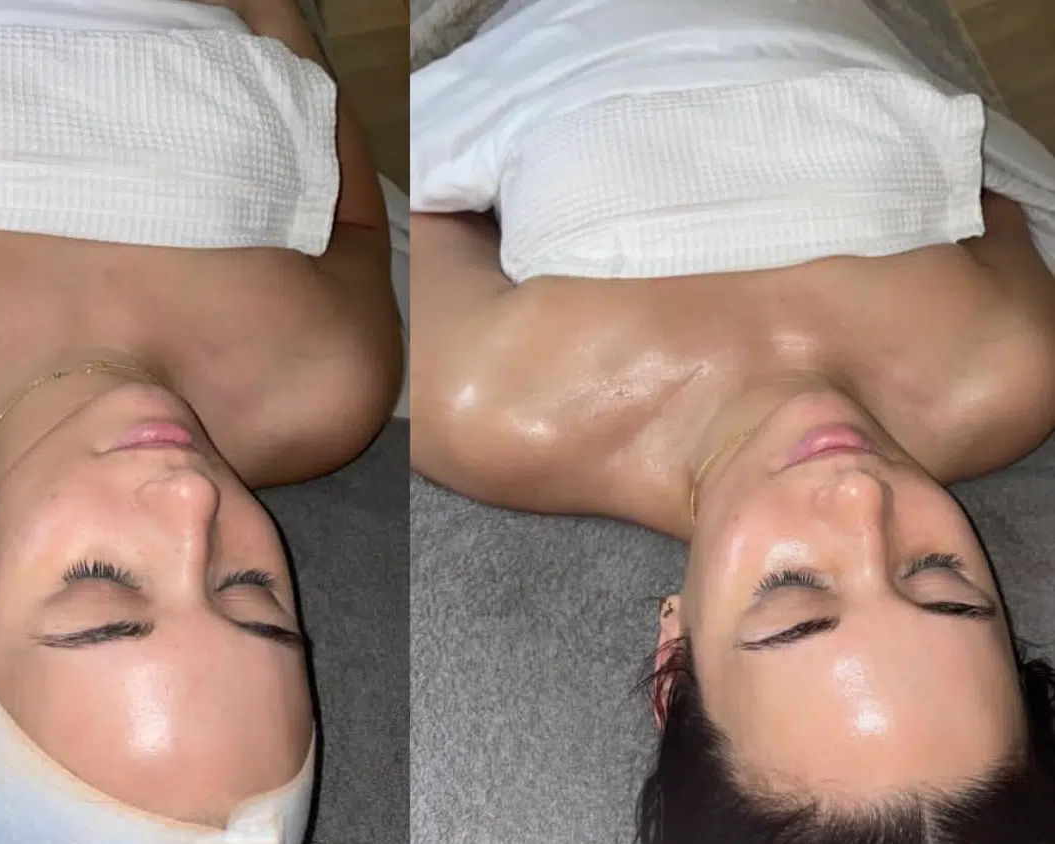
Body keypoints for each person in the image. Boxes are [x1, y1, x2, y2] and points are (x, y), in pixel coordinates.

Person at [410, 0, 1055, 840]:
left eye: (794, 596)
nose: (861, 497)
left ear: (674, 660)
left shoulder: (491, 405)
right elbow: (990, 182)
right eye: (942, 582)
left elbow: (426, 201)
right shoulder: (1006, 364)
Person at [0, 0, 402, 840]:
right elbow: (351, 219)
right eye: (252, 596)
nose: (191, 501)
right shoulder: (324, 382)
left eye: (100, 587)